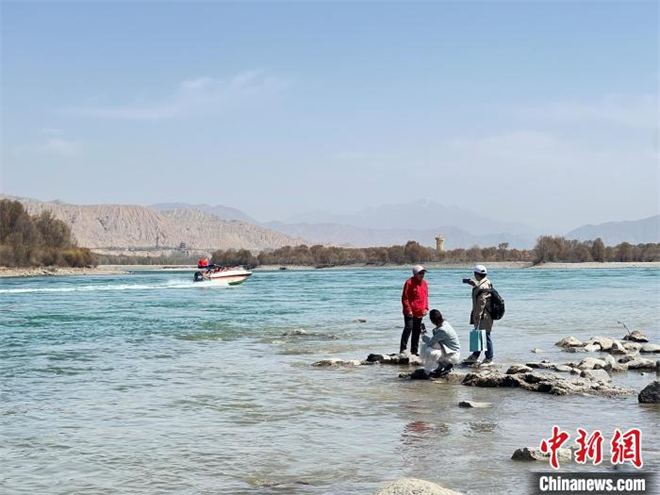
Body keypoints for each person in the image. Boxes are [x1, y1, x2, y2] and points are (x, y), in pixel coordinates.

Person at [466, 264, 494, 364]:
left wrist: (477, 316)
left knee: (486, 335)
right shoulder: (487, 282)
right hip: (485, 314)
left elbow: (481, 302)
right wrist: (475, 285)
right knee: (478, 335)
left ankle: (489, 358)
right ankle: (475, 355)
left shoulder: (482, 285)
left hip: (484, 315)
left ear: (476, 274)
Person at [420, 309, 460, 377]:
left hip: (452, 355)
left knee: (429, 350)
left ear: (432, 320)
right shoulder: (445, 324)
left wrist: (422, 334)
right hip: (452, 351)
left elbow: (430, 342)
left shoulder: (442, 330)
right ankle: (440, 366)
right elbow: (435, 340)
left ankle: (447, 365)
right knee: (432, 346)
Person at [400, 265, 429, 355]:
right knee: (408, 328)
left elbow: (425, 297)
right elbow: (405, 298)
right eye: (420, 273)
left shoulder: (424, 283)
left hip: (420, 311)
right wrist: (408, 310)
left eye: (423, 273)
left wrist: (426, 308)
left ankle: (414, 351)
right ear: (415, 274)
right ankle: (403, 349)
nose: (422, 274)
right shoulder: (409, 282)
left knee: (416, 331)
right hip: (410, 312)